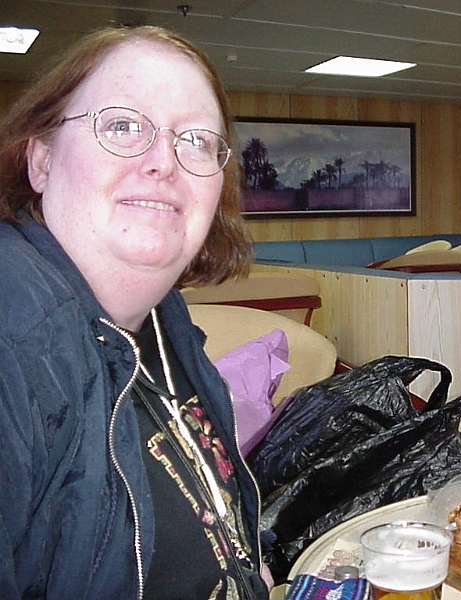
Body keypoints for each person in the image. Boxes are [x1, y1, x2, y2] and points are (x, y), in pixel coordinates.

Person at [0, 25, 271, 598]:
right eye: (123, 126)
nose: (163, 162)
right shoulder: (11, 338)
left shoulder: (165, 322)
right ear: (41, 160)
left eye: (196, 140)